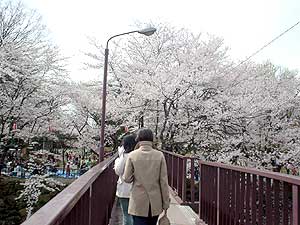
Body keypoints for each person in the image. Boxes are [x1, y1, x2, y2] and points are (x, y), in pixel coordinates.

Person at [123, 128, 170, 225]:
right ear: (152, 139)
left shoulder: (132, 155)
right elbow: (163, 182)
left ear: (138, 139)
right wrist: (166, 203)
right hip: (155, 202)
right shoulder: (159, 155)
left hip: (138, 201)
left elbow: (127, 178)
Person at [114, 134, 137, 225]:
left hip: (124, 189)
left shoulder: (125, 156)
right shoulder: (138, 154)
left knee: (126, 215)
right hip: (137, 189)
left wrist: (119, 158)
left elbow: (118, 171)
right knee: (135, 215)